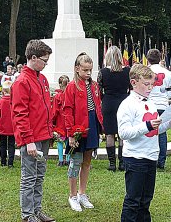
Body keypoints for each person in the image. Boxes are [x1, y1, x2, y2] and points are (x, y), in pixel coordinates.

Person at [117, 64, 171, 222]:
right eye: (146, 84)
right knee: (133, 199)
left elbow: (155, 129)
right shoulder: (127, 104)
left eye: (152, 84)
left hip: (150, 155)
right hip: (136, 157)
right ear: (134, 83)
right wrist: (147, 125)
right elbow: (124, 133)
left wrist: (170, 123)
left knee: (146, 199)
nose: (150, 88)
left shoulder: (149, 102)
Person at [11, 39, 55, 222]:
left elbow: (44, 108)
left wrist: (50, 132)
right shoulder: (22, 81)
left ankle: (36, 210)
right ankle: (27, 215)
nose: (46, 64)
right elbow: (20, 114)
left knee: (39, 176)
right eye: (44, 60)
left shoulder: (42, 79)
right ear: (33, 58)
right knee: (29, 176)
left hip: (43, 135)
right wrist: (28, 141)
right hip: (31, 138)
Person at [64, 53, 103, 212]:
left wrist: (100, 127)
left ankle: (82, 193)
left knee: (87, 162)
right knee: (75, 162)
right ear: (77, 68)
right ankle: (72, 195)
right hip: (78, 128)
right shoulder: (71, 86)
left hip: (92, 125)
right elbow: (67, 110)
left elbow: (98, 106)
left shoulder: (94, 86)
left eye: (90, 70)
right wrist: (71, 133)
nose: (88, 73)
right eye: (85, 70)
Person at [97, 46, 130, 172]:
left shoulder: (103, 72)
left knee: (109, 134)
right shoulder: (127, 70)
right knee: (122, 134)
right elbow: (130, 87)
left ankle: (112, 163)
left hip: (108, 102)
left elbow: (99, 90)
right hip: (124, 101)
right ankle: (122, 162)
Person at [146, 48, 171, 170]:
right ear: (160, 58)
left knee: (149, 132)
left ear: (148, 59)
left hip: (149, 104)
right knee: (162, 133)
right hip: (162, 104)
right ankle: (161, 160)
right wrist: (164, 97)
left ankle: (150, 157)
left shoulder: (146, 71)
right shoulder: (167, 72)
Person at [0, 81, 15, 167]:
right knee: (11, 144)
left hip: (2, 126)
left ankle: (3, 161)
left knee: (2, 144)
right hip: (12, 126)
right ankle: (11, 162)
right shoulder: (14, 102)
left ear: (2, 91)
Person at [52, 75, 70, 167]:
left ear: (59, 84)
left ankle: (60, 160)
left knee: (60, 141)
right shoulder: (70, 96)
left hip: (60, 121)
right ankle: (68, 159)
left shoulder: (57, 97)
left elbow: (54, 111)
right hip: (68, 120)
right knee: (68, 140)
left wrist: (52, 121)